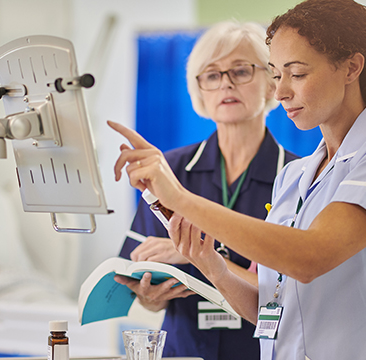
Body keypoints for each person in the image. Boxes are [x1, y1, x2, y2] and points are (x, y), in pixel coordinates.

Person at [109, 0, 366, 359]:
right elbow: (268, 309)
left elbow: (311, 256)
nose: (281, 91)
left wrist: (181, 198)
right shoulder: (293, 177)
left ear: (351, 67)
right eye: (277, 75)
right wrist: (207, 261)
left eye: (296, 74)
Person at [115, 21, 298, 360]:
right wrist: (148, 297)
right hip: (184, 351)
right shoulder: (168, 172)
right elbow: (136, 275)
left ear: (272, 81)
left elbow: (291, 292)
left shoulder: (298, 176)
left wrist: (194, 254)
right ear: (199, 90)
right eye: (212, 75)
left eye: (241, 71)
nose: (226, 83)